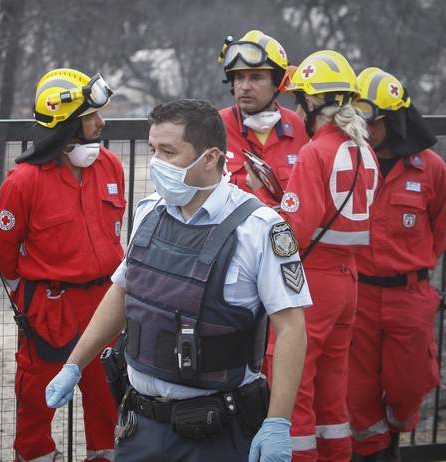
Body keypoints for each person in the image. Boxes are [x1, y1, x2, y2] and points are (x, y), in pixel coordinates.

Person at [45, 98, 311, 461]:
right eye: (153, 149)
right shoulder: (148, 212)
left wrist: (277, 421)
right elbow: (124, 291)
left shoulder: (259, 229)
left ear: (211, 157)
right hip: (141, 425)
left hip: (216, 429)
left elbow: (292, 328)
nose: (157, 162)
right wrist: (74, 364)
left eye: (169, 152)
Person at [0, 68, 124, 462]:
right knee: (35, 406)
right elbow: (4, 253)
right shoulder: (23, 181)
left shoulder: (111, 167)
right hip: (49, 310)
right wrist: (30, 297)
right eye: (90, 116)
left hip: (105, 305)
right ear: (64, 123)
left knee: (108, 403)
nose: (100, 123)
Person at [277, 50, 380, 461]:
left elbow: (293, 231)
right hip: (348, 280)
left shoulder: (314, 153)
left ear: (313, 103)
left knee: (295, 383)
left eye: (300, 98)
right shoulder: (364, 152)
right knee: (333, 392)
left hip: (312, 283)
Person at [347, 68, 446, 461]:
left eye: (371, 123)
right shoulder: (351, 160)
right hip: (359, 295)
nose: (364, 130)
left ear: (394, 121)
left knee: (409, 383)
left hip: (409, 295)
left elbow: (439, 229)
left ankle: (396, 429)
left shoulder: (432, 169)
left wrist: (414, 267)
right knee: (358, 393)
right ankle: (374, 453)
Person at [218, 30, 308, 208]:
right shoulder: (216, 126)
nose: (244, 87)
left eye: (256, 77)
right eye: (239, 77)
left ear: (277, 82)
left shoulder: (298, 127)